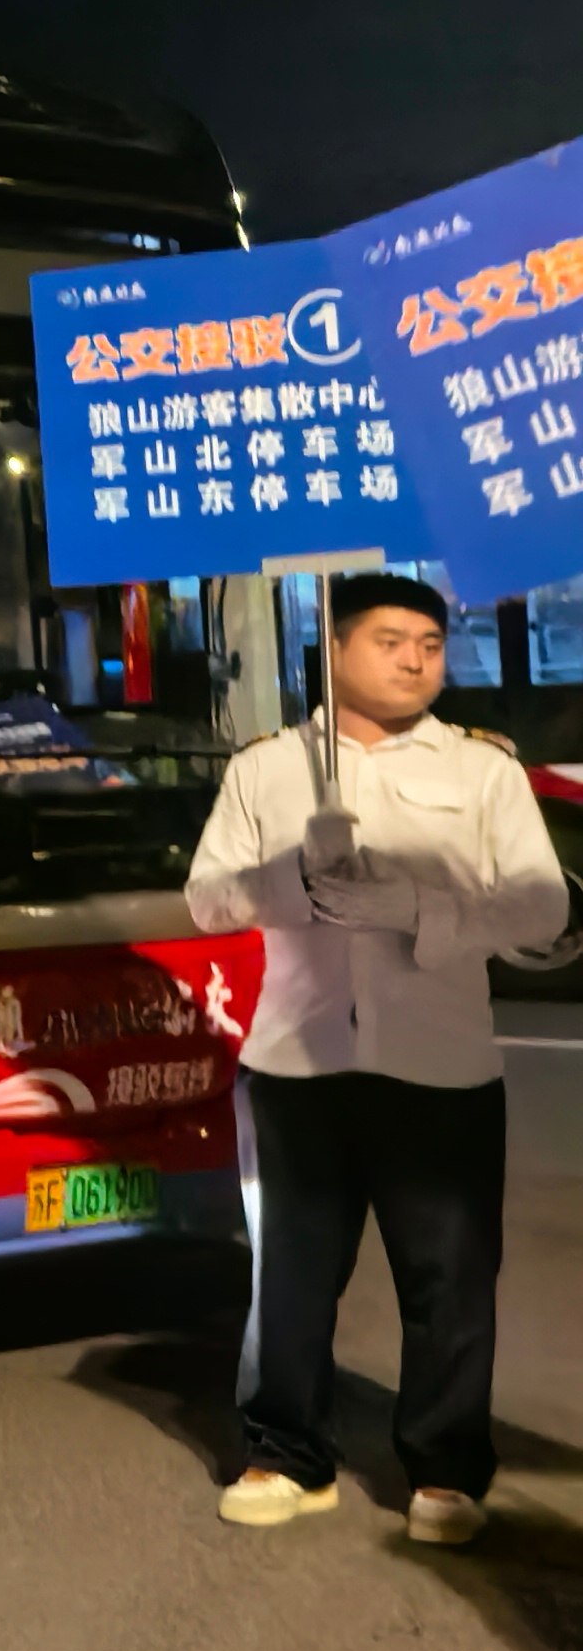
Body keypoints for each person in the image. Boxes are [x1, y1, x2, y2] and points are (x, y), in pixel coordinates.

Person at [184, 573, 563, 1544]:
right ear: (336, 646)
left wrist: (421, 911)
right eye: (391, 641)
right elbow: (206, 897)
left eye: (430, 645)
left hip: (441, 1068)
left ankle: (444, 1470)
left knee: (449, 1278)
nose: (415, 661)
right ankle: (286, 1453)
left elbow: (539, 906)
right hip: (297, 1063)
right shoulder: (267, 770)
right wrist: (290, 879)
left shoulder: (480, 772)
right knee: (291, 1275)